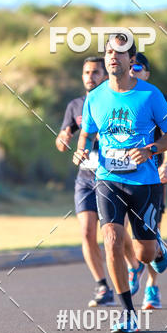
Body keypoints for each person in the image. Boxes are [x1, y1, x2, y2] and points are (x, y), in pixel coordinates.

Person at [73, 33, 167, 332]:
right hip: (107, 180)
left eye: (120, 53)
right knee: (110, 240)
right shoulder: (95, 98)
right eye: (109, 51)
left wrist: (150, 150)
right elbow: (89, 132)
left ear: (131, 60)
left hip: (144, 182)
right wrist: (82, 149)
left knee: (143, 253)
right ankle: (127, 313)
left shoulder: (150, 95)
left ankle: (157, 249)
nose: (112, 57)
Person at [55, 57, 114, 306]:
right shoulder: (75, 105)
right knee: (87, 233)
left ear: (105, 74)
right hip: (85, 178)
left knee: (114, 237)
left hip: (112, 177)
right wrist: (64, 138)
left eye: (96, 72)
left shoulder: (115, 100)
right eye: (86, 72)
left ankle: (133, 271)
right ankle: (103, 286)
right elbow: (60, 142)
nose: (90, 76)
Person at [127, 52, 167, 309]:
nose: (133, 70)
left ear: (147, 73)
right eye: (131, 65)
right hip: (120, 177)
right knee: (119, 227)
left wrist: (166, 165)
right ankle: (132, 265)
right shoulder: (116, 97)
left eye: (139, 67)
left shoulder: (154, 97)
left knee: (151, 230)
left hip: (151, 175)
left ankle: (152, 287)